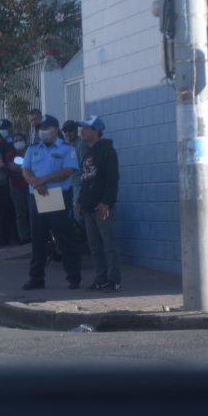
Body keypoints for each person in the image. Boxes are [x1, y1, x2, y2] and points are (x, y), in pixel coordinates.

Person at [21, 115, 82, 291]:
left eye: (46, 128)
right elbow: (25, 169)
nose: (42, 131)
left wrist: (42, 180)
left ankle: (74, 277)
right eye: (40, 128)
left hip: (56, 195)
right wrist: (34, 182)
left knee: (64, 238)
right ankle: (36, 278)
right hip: (37, 196)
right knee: (38, 239)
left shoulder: (65, 149)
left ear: (55, 129)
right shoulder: (33, 149)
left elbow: (68, 170)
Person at [77, 116, 122, 292]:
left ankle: (114, 280)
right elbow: (85, 179)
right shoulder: (87, 151)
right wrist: (80, 200)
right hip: (88, 206)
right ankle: (100, 278)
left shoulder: (107, 150)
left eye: (86, 128)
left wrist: (106, 202)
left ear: (96, 130)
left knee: (109, 244)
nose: (82, 131)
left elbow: (112, 179)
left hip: (101, 206)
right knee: (94, 246)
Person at [5, 132, 32, 245]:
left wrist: (22, 168)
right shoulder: (11, 154)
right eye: (15, 141)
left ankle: (34, 233)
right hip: (16, 186)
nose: (18, 142)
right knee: (21, 213)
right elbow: (12, 168)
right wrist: (27, 169)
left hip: (31, 185)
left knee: (32, 211)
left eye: (20, 139)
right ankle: (24, 236)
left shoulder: (31, 151)